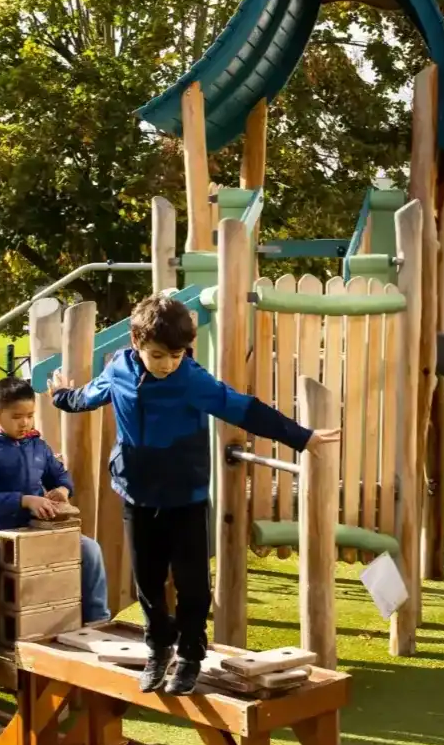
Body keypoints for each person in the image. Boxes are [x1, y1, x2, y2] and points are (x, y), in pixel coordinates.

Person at [54, 294, 338, 696]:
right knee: (148, 581)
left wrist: (301, 436)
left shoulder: (191, 380)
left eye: (176, 354)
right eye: (158, 355)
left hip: (184, 498)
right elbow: (89, 396)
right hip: (137, 494)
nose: (168, 364)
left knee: (193, 584)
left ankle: (189, 653)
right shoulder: (118, 369)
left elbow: (244, 408)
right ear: (136, 342)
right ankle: (158, 646)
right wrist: (61, 397)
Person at [0, 376, 111, 688]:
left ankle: (98, 623)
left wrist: (60, 490)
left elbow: (61, 476)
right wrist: (25, 500)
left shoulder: (39, 445)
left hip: (32, 531)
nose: (25, 422)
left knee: (90, 550)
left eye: (30, 415)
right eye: (17, 417)